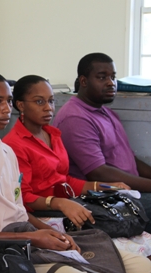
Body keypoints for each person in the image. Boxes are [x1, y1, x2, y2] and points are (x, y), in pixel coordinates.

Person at [0, 70, 151, 273]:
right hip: (3, 246)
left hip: (27, 232)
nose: (6, 109)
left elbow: (18, 209)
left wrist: (51, 233)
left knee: (141, 265)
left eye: (8, 101)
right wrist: (36, 235)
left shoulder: (6, 152)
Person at [4, 74, 151, 256]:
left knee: (132, 215)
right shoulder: (14, 145)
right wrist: (60, 203)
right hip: (45, 214)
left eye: (51, 101)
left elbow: (64, 181)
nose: (49, 108)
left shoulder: (52, 134)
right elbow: (22, 198)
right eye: (39, 102)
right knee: (128, 228)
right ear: (20, 105)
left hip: (68, 204)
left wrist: (103, 187)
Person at [53, 53, 151, 233]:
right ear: (83, 81)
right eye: (102, 77)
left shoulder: (105, 112)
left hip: (130, 191)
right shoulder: (76, 117)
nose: (110, 83)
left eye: (113, 77)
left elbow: (130, 159)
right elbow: (98, 172)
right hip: (106, 196)